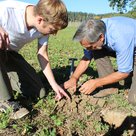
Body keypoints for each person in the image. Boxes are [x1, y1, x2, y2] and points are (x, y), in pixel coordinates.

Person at [0, 0, 70, 119]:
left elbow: (42, 54)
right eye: (53, 30)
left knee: (38, 91)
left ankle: (3, 79)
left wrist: (54, 84)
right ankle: (5, 101)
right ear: (40, 20)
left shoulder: (44, 24)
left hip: (8, 55)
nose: (54, 34)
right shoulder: (7, 10)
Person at [64, 16, 136, 105]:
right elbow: (86, 58)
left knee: (133, 99)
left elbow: (124, 72)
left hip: (130, 47)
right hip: (127, 47)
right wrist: (74, 78)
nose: (88, 49)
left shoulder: (120, 37)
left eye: (90, 46)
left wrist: (96, 82)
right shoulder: (97, 29)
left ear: (101, 37)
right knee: (96, 50)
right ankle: (110, 87)